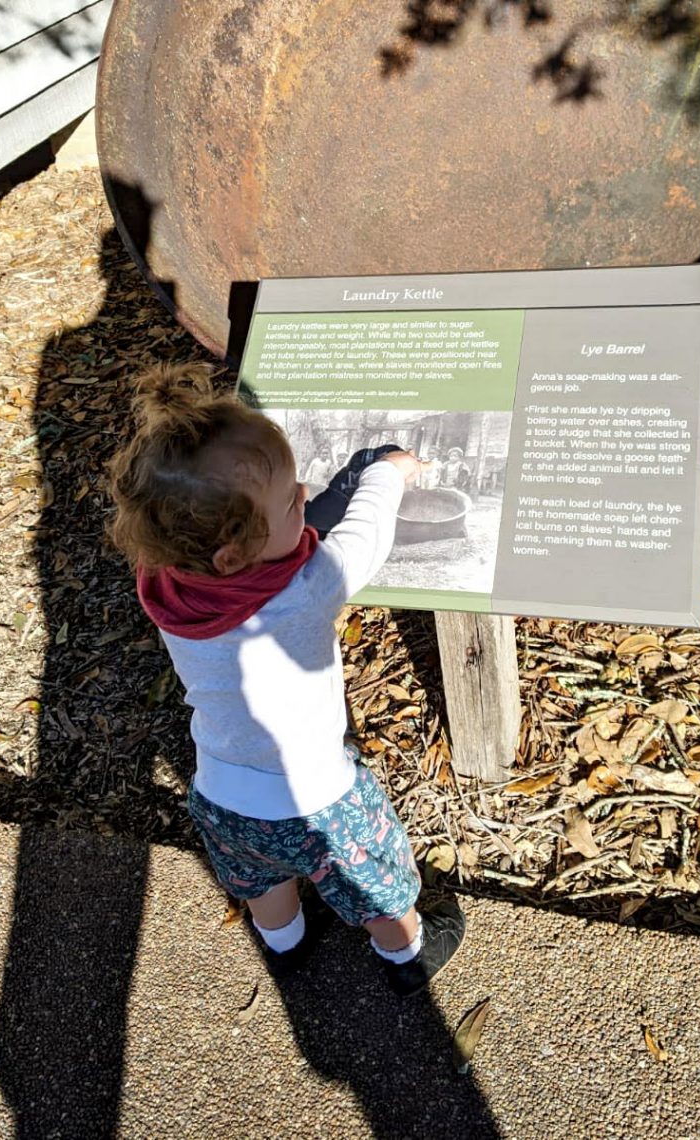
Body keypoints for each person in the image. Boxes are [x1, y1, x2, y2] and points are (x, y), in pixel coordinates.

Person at [108, 364, 465, 995]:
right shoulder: (304, 591)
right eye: (289, 500)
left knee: (263, 881)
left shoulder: (162, 582)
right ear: (231, 555)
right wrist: (387, 472)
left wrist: (273, 513)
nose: (304, 494)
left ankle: (286, 945)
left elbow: (259, 537)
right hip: (322, 801)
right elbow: (364, 538)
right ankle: (408, 954)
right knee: (374, 885)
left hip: (222, 793)